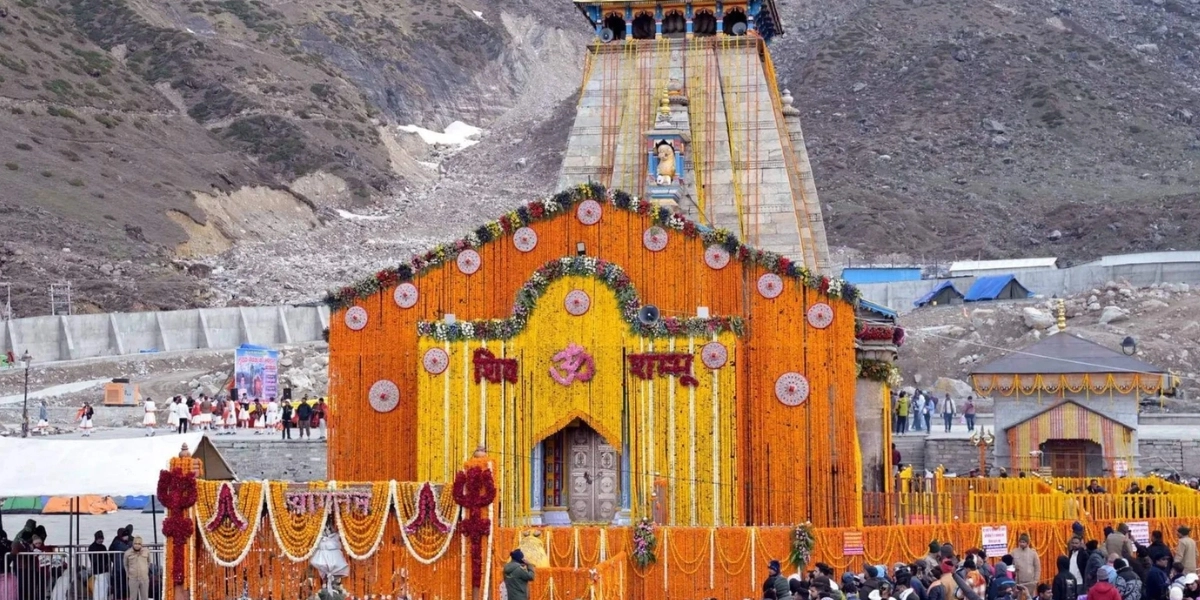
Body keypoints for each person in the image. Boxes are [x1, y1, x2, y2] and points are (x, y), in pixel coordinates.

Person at [1014, 533, 1042, 598]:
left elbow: (1037, 567)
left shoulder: (1033, 553)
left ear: (1027, 543)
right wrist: (1014, 569)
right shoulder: (1014, 552)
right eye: (1020, 542)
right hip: (1018, 583)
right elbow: (1009, 566)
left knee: (1030, 598)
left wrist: (1036, 580)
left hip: (1030, 583)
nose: (1021, 544)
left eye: (1023, 542)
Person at [88, 531, 110, 600]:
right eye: (100, 538)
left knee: (103, 588)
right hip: (99, 571)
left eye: (102, 538)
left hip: (104, 570)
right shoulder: (93, 548)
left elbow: (106, 557)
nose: (101, 540)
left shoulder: (102, 547)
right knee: (100, 588)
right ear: (96, 538)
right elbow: (94, 560)